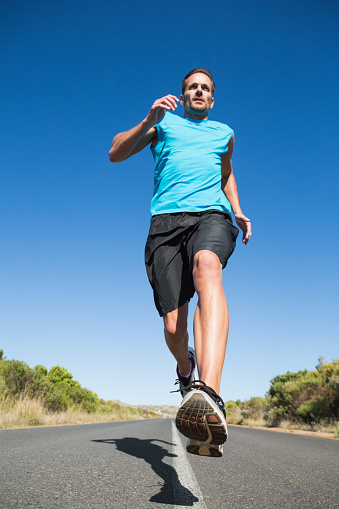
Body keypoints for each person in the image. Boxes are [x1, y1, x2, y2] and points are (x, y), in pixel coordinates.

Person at [109, 68, 251, 457]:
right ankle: (186, 369)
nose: (199, 92)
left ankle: (210, 395)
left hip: (212, 217)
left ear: (212, 98)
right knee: (174, 327)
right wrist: (148, 120)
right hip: (165, 223)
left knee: (209, 266)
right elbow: (115, 153)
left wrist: (237, 210)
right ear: (183, 95)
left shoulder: (225, 133)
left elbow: (226, 173)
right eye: (193, 87)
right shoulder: (164, 123)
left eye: (205, 88)